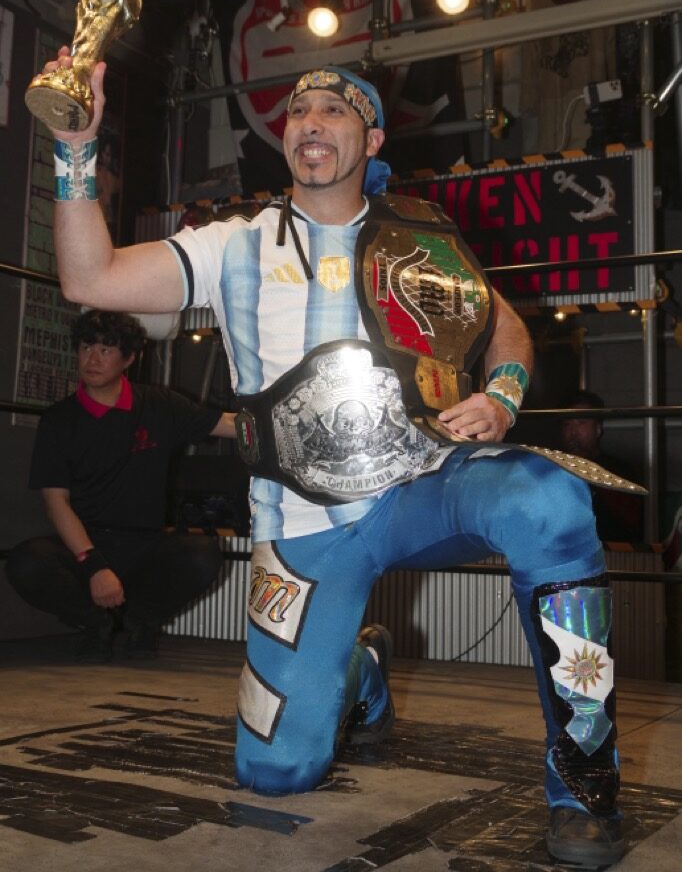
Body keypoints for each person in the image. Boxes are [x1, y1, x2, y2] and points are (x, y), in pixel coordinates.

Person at [34, 48, 633, 869]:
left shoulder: (418, 236)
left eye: (334, 110)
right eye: (298, 112)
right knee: (275, 772)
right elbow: (89, 280)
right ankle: (361, 671)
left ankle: (586, 783)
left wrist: (503, 393)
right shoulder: (233, 244)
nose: (310, 123)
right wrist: (75, 149)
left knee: (550, 500)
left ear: (372, 138)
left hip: (425, 482)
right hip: (303, 525)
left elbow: (502, 324)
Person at [6, 309, 236, 662]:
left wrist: (289, 418)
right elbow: (56, 503)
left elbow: (228, 425)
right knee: (26, 562)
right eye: (86, 348)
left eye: (106, 349)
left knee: (202, 553)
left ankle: (139, 623)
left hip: (144, 544)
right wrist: (93, 564)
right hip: (85, 543)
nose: (93, 359)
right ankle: (96, 625)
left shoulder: (159, 404)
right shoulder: (59, 420)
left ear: (128, 358)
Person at [560, 390, 644, 544]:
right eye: (567, 424)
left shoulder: (618, 471)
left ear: (598, 429)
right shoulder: (555, 470)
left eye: (581, 423)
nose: (573, 432)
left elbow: (632, 523)